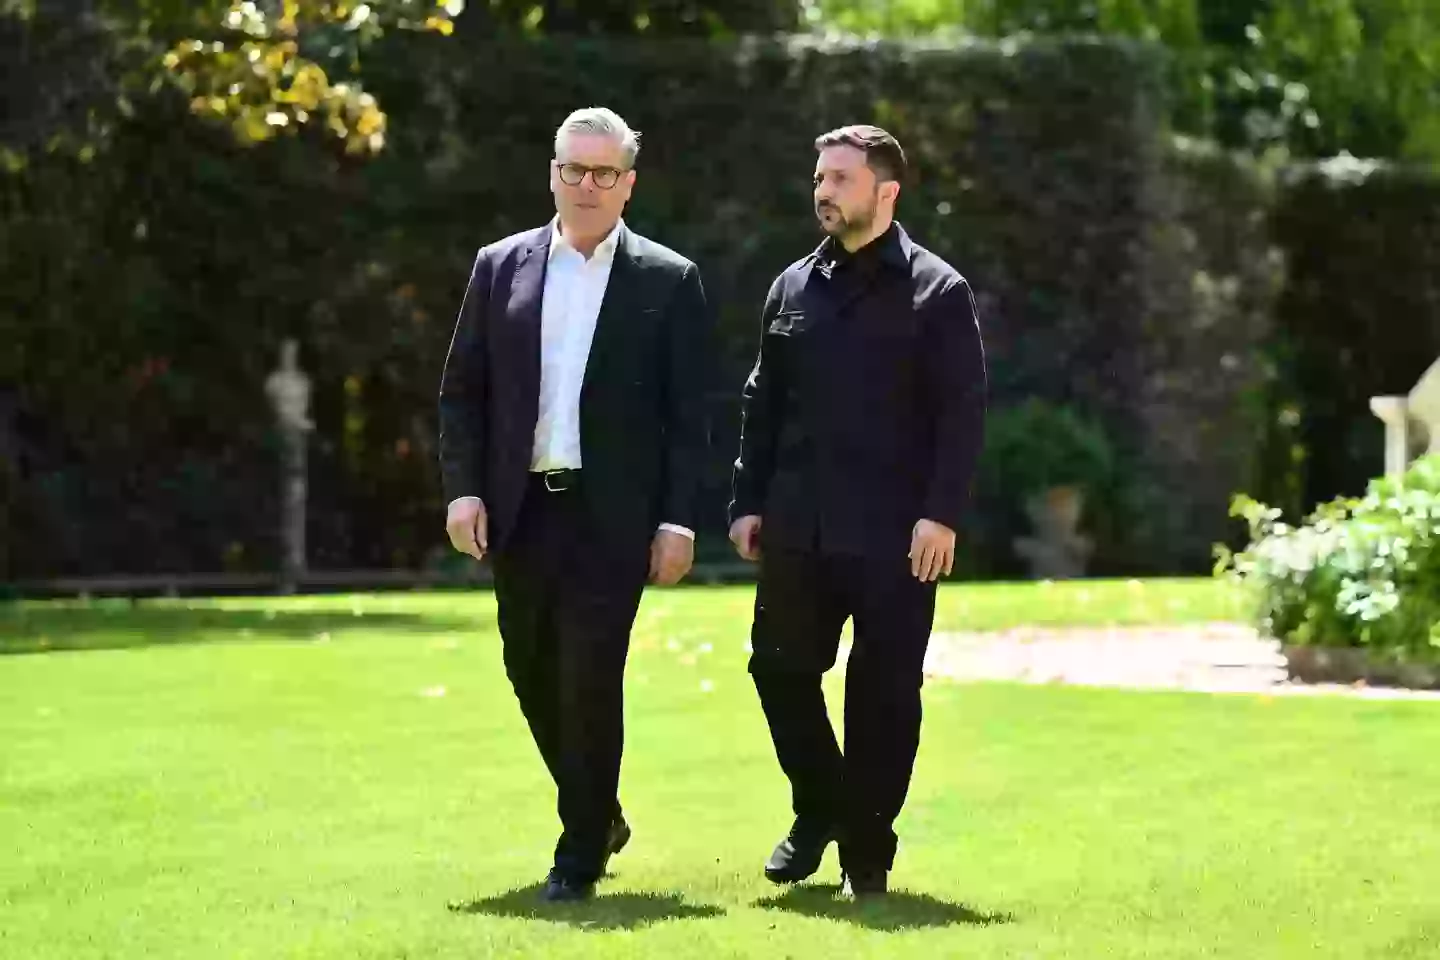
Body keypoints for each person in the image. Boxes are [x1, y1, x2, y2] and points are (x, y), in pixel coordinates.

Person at [438, 106, 712, 902]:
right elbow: (462, 392)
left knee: (590, 677)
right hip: (520, 510)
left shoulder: (668, 280)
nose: (585, 186)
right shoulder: (500, 267)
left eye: (603, 174)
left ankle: (579, 850)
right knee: (530, 671)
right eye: (572, 170)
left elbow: (690, 414)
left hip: (611, 514)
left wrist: (676, 519)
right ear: (552, 173)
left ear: (628, 185)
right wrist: (462, 490)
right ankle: (600, 809)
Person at [728, 124, 987, 898]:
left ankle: (865, 853)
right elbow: (761, 401)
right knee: (776, 669)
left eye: (840, 178)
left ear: (886, 191)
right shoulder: (790, 288)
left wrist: (940, 514)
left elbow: (962, 412)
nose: (823, 191)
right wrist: (747, 500)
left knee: (882, 695)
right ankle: (821, 808)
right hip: (797, 526)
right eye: (819, 177)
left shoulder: (938, 291)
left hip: (896, 536)